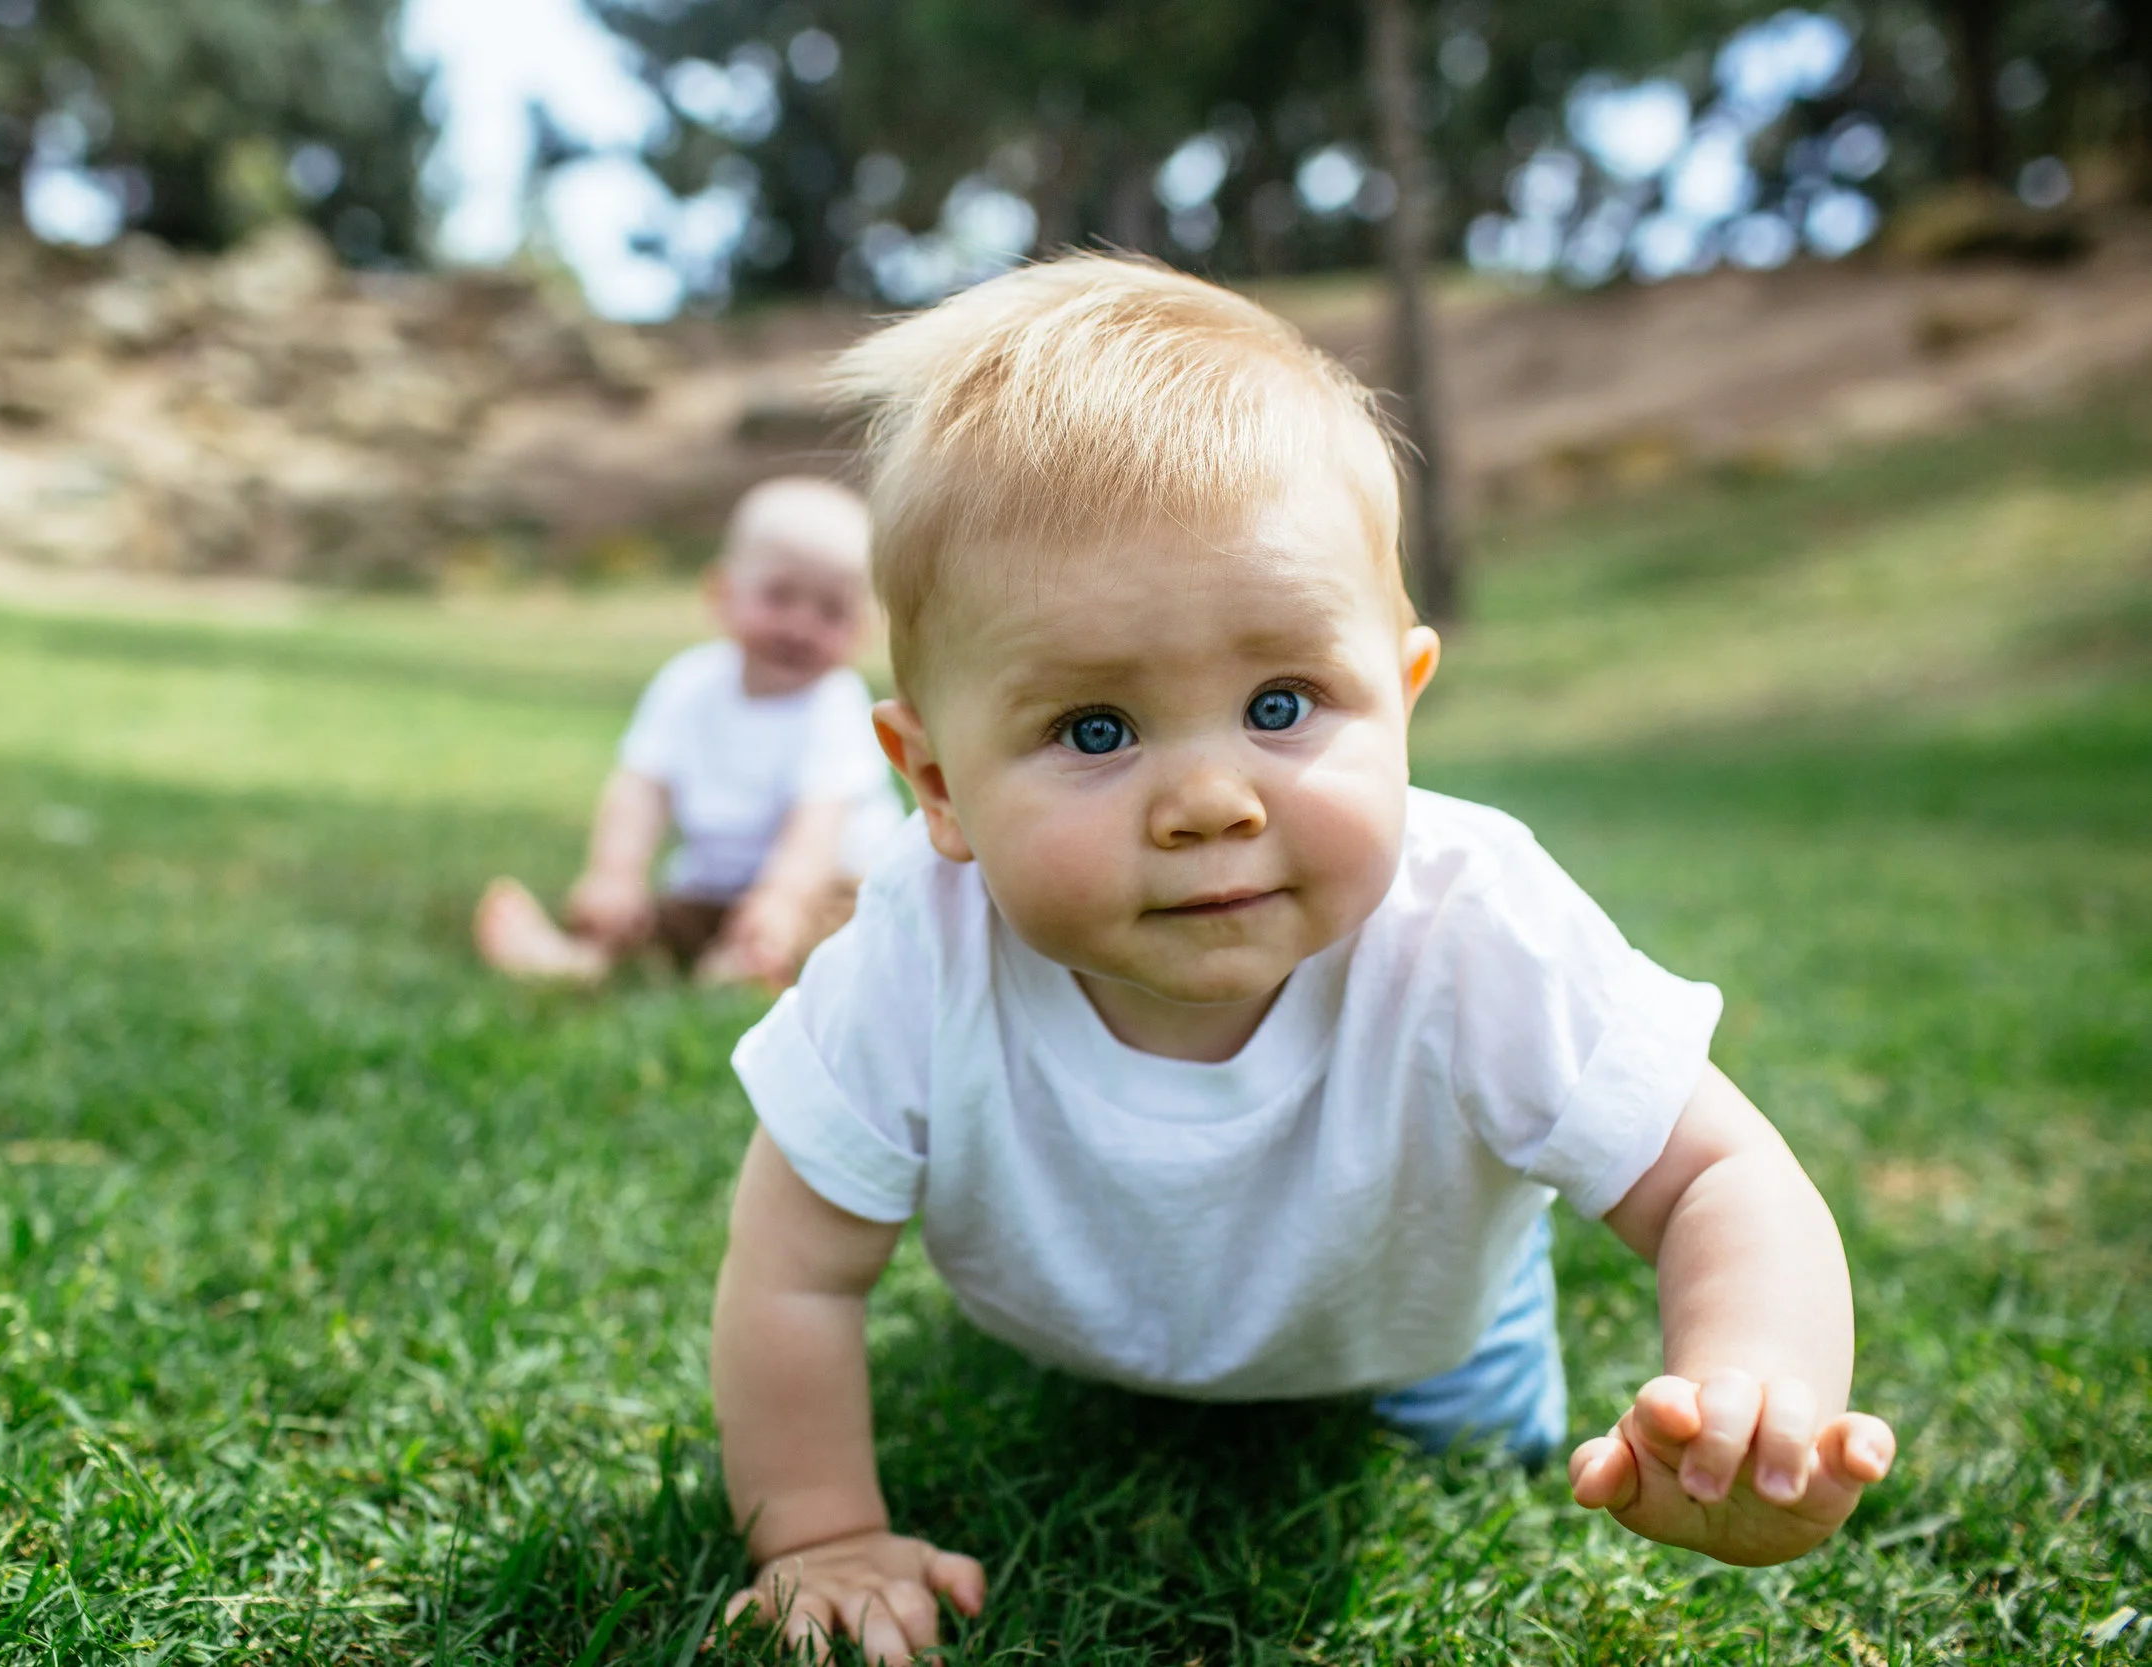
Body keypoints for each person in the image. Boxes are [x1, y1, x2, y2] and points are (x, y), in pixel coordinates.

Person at [708, 256, 1899, 1661]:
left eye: (1283, 702)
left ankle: (1466, 1365)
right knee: (1091, 1407)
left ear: (1401, 703)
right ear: (939, 782)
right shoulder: (915, 945)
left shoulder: (1474, 921)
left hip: (1421, 1320)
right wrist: (824, 1531)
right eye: (1095, 727)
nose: (1211, 797)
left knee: (1476, 1455)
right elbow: (792, 1267)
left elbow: (1718, 1172)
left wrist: (1757, 1378)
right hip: (1077, 1322)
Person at [475, 476, 903, 991]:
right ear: (722, 595)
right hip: (713, 887)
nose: (800, 625)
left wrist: (782, 900)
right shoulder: (689, 683)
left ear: (862, 630)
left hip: (824, 882)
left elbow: (817, 823)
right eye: (779, 596)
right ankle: (577, 958)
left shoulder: (834, 704)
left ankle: (753, 963)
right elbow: (642, 788)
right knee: (650, 919)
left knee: (844, 928)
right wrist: (615, 872)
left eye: (831, 611)